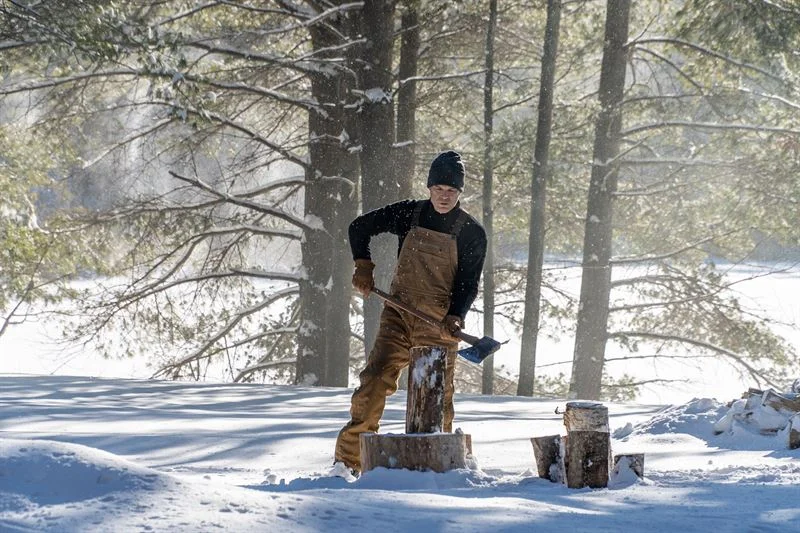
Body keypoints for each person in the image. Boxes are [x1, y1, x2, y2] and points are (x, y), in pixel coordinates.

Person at [334, 150, 487, 474]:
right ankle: (348, 463)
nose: (444, 196)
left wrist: (455, 316)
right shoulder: (409, 213)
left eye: (451, 191)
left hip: (439, 326)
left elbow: (468, 283)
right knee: (374, 381)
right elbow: (359, 227)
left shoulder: (472, 232)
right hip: (398, 318)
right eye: (438, 189)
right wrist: (363, 264)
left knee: (436, 401)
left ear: (459, 193)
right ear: (429, 187)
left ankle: (441, 468)